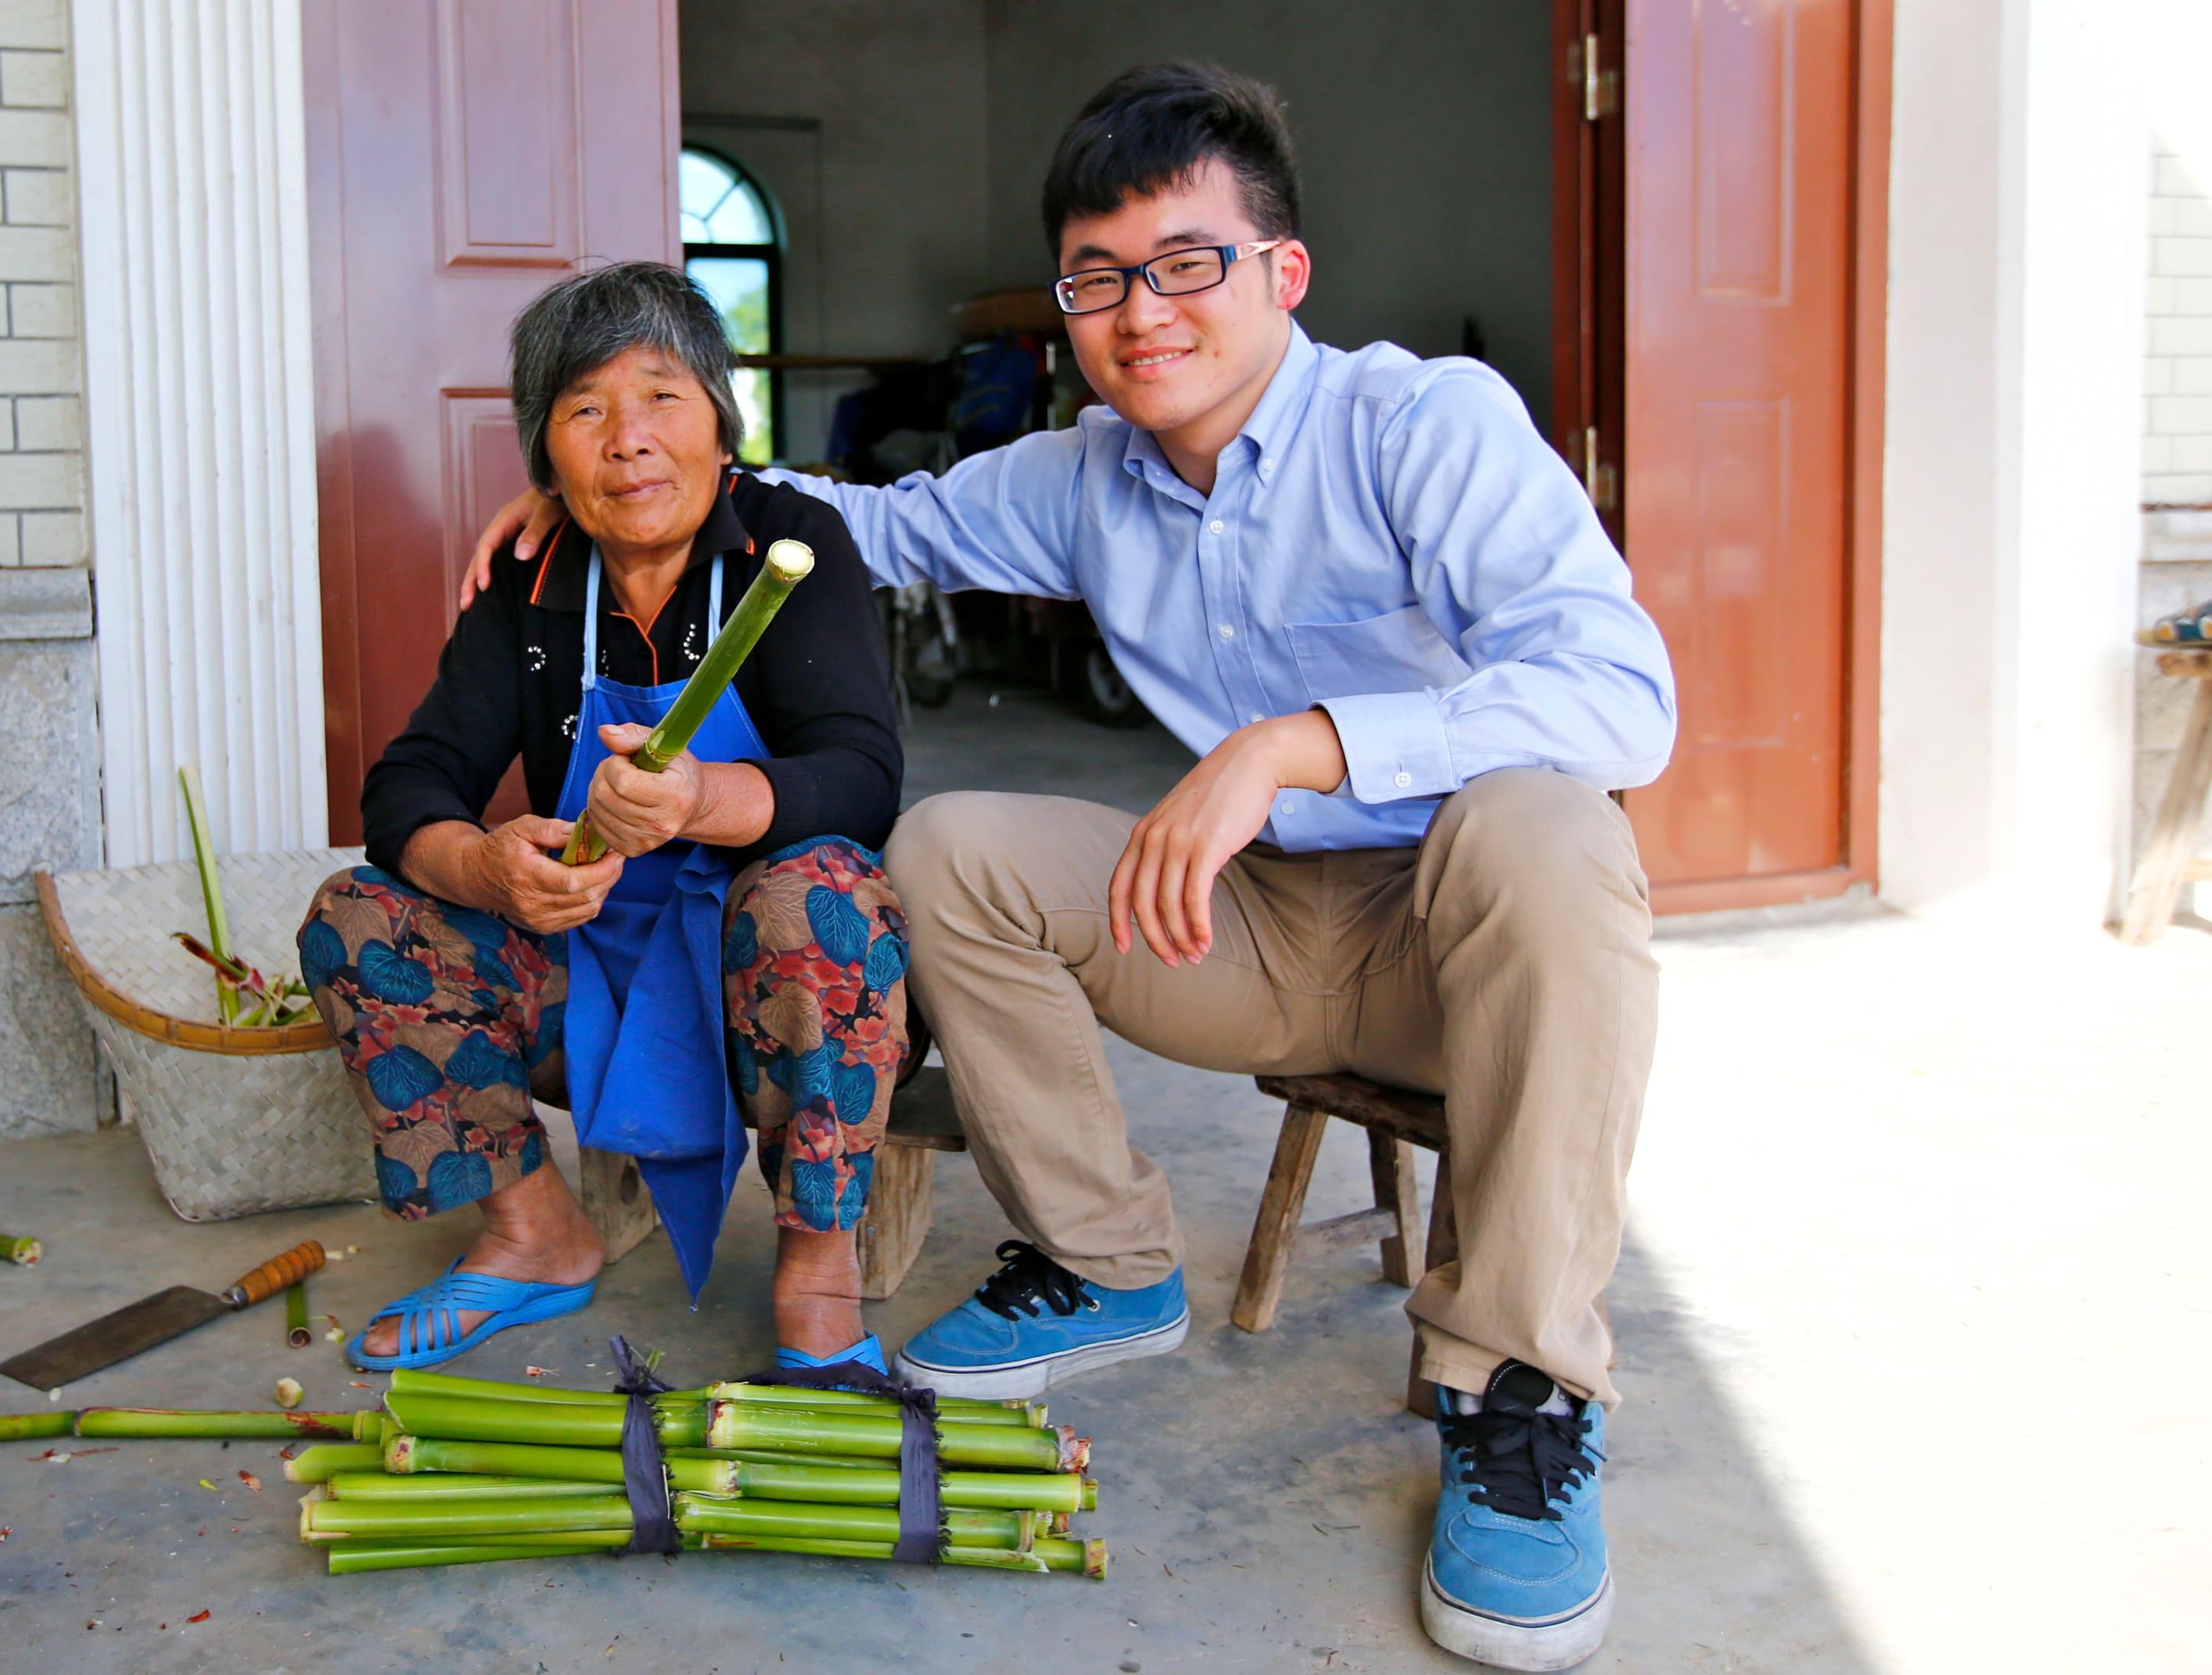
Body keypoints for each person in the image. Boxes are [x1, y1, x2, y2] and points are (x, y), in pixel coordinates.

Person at [460, 64, 1675, 1674]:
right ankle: (1105, 1263)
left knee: (1553, 818)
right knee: (951, 844)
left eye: (1187, 264)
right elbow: (866, 523)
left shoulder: (1418, 424)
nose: (1142, 313)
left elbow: (1624, 695)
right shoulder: (1081, 473)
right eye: (1098, 279)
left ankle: (1518, 1392)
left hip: (1471, 945)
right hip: (1247, 939)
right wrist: (600, 480)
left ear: (1280, 273)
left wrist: (1292, 742)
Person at [301, 261, 909, 1379]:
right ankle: (534, 1233)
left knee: (817, 888)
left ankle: (819, 1269)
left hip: (761, 994)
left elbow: (864, 775)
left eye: (662, 397)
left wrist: (702, 802)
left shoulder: (793, 545)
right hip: (584, 978)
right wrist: (484, 867)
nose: (627, 439)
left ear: (722, 424)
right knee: (358, 912)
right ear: (548, 461)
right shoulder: (533, 581)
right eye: (585, 410)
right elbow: (407, 785)